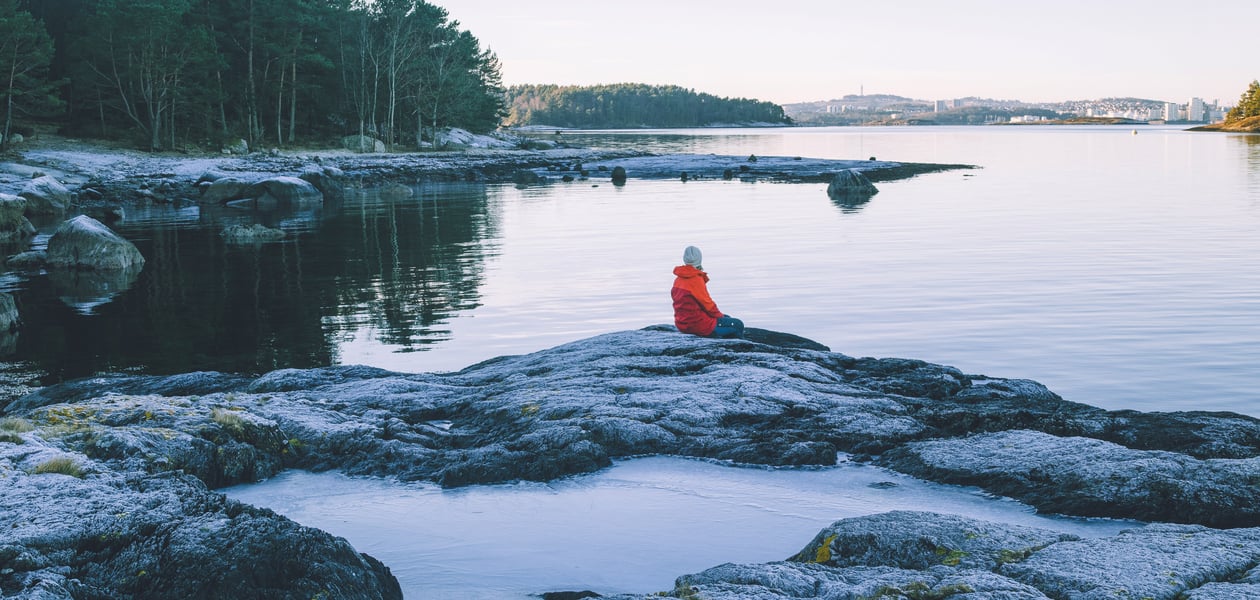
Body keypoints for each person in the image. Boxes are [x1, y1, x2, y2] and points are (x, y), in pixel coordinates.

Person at [671, 245, 744, 338]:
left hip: (682, 324)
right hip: (698, 326)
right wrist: (720, 316)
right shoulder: (695, 279)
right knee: (737, 324)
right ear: (699, 259)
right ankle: (736, 348)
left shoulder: (678, 279)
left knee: (727, 318)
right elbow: (708, 305)